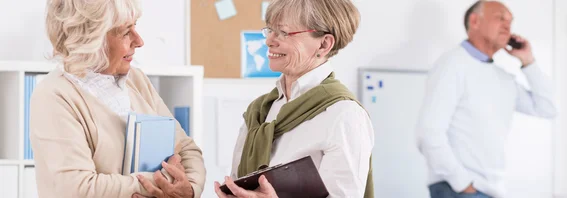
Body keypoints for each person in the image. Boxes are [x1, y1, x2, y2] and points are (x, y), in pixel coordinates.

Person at [30, 0, 206, 197]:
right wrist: (161, 181)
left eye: (135, 26)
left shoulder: (137, 80)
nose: (139, 41)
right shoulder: (54, 95)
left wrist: (188, 189)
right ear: (91, 39)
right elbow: (77, 188)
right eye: (125, 32)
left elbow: (188, 150)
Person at [213, 0, 375, 197]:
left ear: (323, 44)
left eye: (284, 32)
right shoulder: (259, 111)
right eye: (270, 30)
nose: (269, 40)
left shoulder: (344, 115)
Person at [416, 1, 557, 198]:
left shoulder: (502, 77)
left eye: (510, 21)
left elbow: (548, 108)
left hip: (489, 190)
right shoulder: (452, 65)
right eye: (500, 18)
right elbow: (428, 133)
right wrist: (463, 184)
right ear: (475, 21)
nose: (508, 26)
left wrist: (529, 61)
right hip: (459, 190)